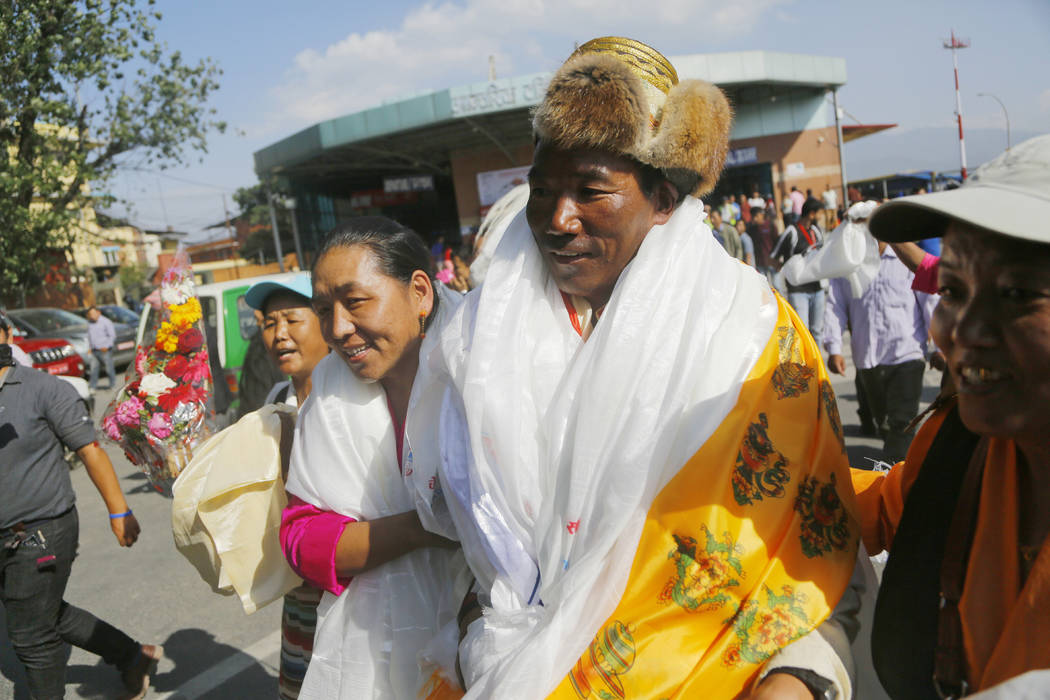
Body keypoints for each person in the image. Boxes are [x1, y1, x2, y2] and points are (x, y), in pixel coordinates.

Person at [432, 37, 859, 700]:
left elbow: (809, 556)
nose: (557, 218)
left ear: (662, 199)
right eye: (542, 191)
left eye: (591, 190)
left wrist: (801, 677)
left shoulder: (750, 338)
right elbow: (466, 546)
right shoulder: (477, 343)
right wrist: (486, 639)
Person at [852, 134, 1050, 697]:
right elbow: (887, 511)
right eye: (954, 290)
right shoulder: (957, 441)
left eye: (1016, 294)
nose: (962, 331)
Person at [279, 217, 468, 699]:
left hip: (497, 631)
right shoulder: (329, 392)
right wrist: (420, 529)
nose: (338, 329)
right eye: (324, 310)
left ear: (420, 293)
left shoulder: (481, 365)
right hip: (378, 656)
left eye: (355, 301)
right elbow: (303, 539)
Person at [0, 344, 160, 700]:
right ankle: (132, 656)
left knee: (31, 637)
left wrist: (119, 511)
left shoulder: (43, 389)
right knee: (44, 613)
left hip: (41, 529)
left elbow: (90, 450)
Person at [243, 274, 331, 700]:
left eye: (293, 319)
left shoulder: (354, 395)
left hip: (351, 585)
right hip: (299, 588)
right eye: (269, 323)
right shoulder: (277, 396)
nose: (279, 335)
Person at [824, 240, 938, 463]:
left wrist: (940, 348)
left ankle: (894, 476)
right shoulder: (849, 264)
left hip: (907, 352)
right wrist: (835, 348)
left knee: (902, 421)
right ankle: (895, 462)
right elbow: (835, 305)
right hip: (868, 358)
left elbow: (930, 301)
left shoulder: (907, 260)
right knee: (884, 422)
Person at [771, 197, 826, 346]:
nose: (822, 217)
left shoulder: (816, 231)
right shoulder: (792, 231)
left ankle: (817, 366)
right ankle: (805, 368)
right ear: (812, 214)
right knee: (803, 333)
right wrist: (786, 272)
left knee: (817, 332)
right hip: (798, 291)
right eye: (820, 213)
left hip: (817, 289)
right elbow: (773, 256)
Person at [85, 305, 116, 391]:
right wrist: (90, 347)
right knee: (93, 369)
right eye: (90, 314)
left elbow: (112, 336)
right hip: (94, 350)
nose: (92, 316)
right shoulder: (90, 323)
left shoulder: (106, 322)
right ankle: (92, 387)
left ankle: (112, 385)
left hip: (104, 350)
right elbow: (89, 336)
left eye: (93, 314)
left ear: (98, 313)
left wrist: (106, 346)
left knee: (108, 368)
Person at [747, 206, 777, 285]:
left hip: (772, 261)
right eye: (753, 217)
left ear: (761, 215)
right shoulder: (751, 229)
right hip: (760, 262)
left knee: (776, 286)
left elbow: (777, 241)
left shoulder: (770, 225)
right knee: (764, 286)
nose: (755, 219)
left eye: (756, 216)